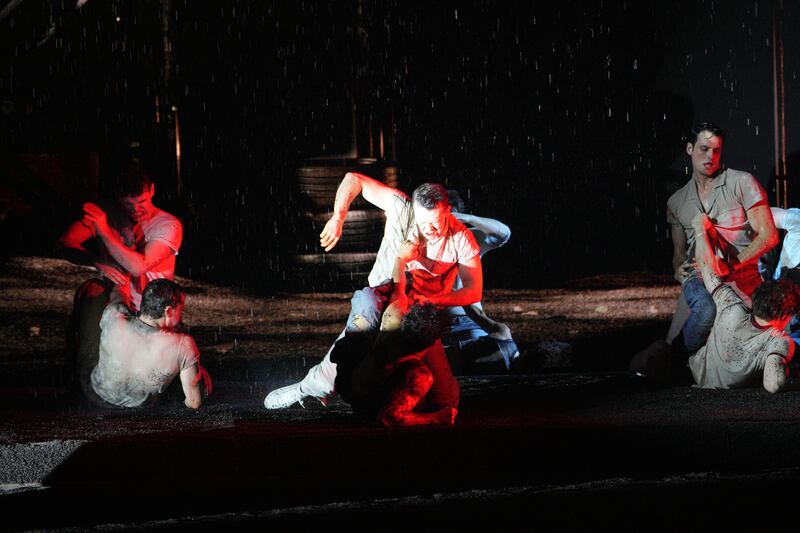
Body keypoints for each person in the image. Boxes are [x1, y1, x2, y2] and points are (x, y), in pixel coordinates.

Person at [264, 175, 482, 409]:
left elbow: (473, 291)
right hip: (380, 302)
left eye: (435, 223)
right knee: (344, 360)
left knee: (446, 399)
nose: (428, 230)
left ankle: (392, 403)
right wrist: (338, 217)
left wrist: (433, 300)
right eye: (422, 222)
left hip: (417, 316)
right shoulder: (401, 207)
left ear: (448, 211)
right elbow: (353, 179)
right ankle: (307, 388)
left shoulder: (461, 239)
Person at [56, 160, 183, 396]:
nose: (136, 209)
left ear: (152, 190)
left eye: (141, 202)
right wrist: (97, 261)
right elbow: (64, 244)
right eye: (128, 204)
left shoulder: (168, 224)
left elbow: (137, 266)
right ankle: (84, 386)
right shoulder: (106, 212)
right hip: (117, 299)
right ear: (117, 198)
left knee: (166, 389)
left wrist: (103, 231)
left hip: (153, 306)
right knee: (92, 292)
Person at [665, 122, 777, 354]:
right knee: (671, 353)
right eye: (704, 149)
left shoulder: (742, 182)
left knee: (750, 357)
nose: (710, 156)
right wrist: (677, 269)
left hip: (742, 288)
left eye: (716, 150)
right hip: (700, 288)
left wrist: (732, 264)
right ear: (689, 149)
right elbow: (678, 253)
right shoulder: (676, 201)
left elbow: (769, 236)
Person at [687, 213, 796, 392]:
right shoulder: (778, 341)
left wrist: (700, 229)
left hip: (693, 373)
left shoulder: (732, 307)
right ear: (785, 315)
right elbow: (773, 384)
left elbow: (706, 269)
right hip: (718, 399)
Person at [333, 296, 459, 427]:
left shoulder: (392, 318)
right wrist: (437, 418)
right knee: (446, 399)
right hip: (366, 402)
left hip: (350, 380)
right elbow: (389, 417)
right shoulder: (419, 375)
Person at [88, 278, 211, 408]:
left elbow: (117, 295)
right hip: (139, 412)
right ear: (168, 311)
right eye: (180, 310)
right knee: (202, 381)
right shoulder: (182, 345)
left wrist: (123, 279)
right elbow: (194, 402)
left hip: (96, 397)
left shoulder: (113, 315)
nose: (181, 316)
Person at [443, 190, 519, 372]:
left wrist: (468, 218)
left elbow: (503, 233)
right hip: (437, 327)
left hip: (469, 322)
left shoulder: (470, 239)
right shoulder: (421, 242)